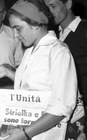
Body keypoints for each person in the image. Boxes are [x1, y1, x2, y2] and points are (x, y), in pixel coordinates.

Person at [0, 0, 77, 140]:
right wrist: (7, 72)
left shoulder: (58, 52)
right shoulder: (30, 50)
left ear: (36, 24)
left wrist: (25, 133)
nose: (15, 35)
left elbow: (61, 107)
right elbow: (38, 83)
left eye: (18, 28)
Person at [43, 0, 87, 138]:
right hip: (65, 110)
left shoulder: (84, 31)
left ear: (68, 4)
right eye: (46, 7)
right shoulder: (55, 36)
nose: (49, 12)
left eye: (53, 6)